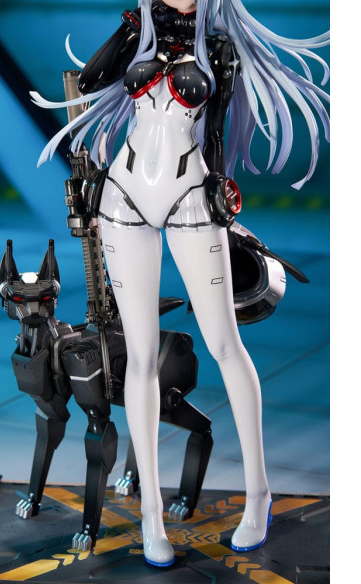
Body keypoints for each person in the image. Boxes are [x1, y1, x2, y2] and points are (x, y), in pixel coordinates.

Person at [31, 0, 329, 568]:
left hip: (190, 193)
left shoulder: (218, 46)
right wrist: (129, 28)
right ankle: (150, 516)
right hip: (123, 196)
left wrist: (221, 195)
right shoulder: (140, 33)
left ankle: (259, 494)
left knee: (224, 343)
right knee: (140, 355)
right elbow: (90, 83)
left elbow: (215, 130)